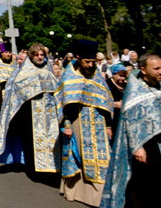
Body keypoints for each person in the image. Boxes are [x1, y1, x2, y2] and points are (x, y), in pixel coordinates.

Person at [0, 43, 60, 177]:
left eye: (42, 55)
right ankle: (34, 171)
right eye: (37, 55)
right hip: (30, 114)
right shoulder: (24, 73)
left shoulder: (49, 70)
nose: (40, 57)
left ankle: (51, 169)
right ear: (31, 56)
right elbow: (16, 94)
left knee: (51, 142)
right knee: (31, 143)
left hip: (50, 115)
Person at [56, 40, 114, 206]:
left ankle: (99, 196)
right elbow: (62, 103)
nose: (90, 65)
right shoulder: (69, 75)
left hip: (98, 122)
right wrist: (65, 125)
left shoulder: (97, 76)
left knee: (102, 157)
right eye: (87, 62)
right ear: (78, 58)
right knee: (78, 156)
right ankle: (75, 192)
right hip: (77, 121)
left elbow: (106, 101)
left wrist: (108, 125)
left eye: (93, 62)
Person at [101, 53, 161, 208]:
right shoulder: (135, 89)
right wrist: (137, 147)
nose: (160, 71)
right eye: (156, 68)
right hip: (143, 145)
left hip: (158, 142)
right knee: (139, 184)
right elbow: (130, 121)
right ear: (143, 69)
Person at [105, 63, 128, 136]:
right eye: (120, 76)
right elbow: (101, 101)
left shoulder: (126, 85)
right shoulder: (107, 85)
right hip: (112, 118)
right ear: (114, 74)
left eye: (124, 76)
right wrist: (113, 104)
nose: (123, 78)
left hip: (124, 117)